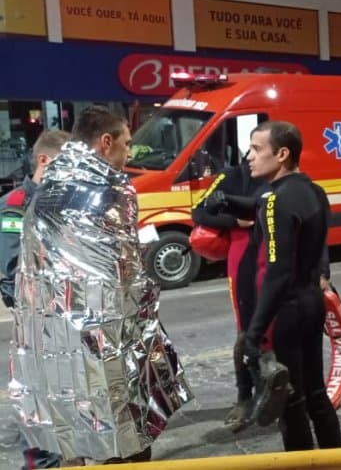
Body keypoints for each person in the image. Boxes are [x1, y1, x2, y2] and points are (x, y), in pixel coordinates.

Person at [9, 106, 191, 465]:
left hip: (55, 342)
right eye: (127, 143)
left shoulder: (48, 187)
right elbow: (124, 275)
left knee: (75, 437)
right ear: (106, 142)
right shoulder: (110, 188)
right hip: (106, 340)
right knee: (124, 438)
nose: (129, 153)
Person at [239, 120, 341, 450]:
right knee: (316, 394)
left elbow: (278, 272)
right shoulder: (314, 190)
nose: (249, 156)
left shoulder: (275, 200)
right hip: (312, 302)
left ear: (282, 154)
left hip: (288, 311)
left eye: (256, 149)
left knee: (291, 405)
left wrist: (253, 334)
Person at [1, 130, 70, 469]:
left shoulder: (60, 204)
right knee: (41, 420)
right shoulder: (16, 205)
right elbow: (11, 273)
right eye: (66, 165)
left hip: (64, 328)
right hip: (37, 330)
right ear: (44, 160)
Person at [190, 159, 269, 433]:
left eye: (259, 149)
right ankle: (245, 396)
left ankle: (278, 392)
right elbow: (199, 212)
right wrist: (234, 221)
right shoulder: (233, 176)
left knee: (280, 327)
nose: (253, 156)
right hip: (244, 253)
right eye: (253, 149)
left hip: (276, 255)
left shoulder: (284, 178)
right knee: (246, 330)